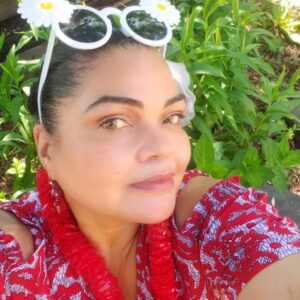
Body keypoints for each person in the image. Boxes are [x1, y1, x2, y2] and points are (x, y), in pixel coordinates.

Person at [1, 0, 300, 299]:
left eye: (170, 118)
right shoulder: (16, 258)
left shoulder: (206, 219)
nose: (161, 148)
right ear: (47, 149)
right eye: (114, 122)